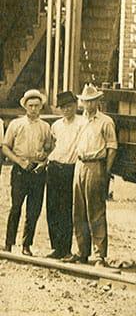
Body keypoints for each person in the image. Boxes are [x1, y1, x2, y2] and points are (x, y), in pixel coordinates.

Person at [63, 85, 117, 267]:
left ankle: (99, 254)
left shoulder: (105, 121)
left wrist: (106, 171)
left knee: (96, 211)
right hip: (80, 164)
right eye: (85, 101)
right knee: (78, 210)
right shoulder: (80, 121)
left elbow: (112, 148)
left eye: (92, 101)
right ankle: (81, 251)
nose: (88, 104)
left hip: (96, 166)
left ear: (97, 101)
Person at [2, 89, 52, 256]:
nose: (33, 109)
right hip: (20, 170)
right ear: (25, 106)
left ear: (40, 106)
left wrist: (43, 160)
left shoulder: (45, 127)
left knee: (33, 210)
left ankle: (26, 245)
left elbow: (49, 149)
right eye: (30, 106)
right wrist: (20, 162)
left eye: (37, 106)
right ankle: (8, 243)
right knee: (16, 207)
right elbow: (5, 147)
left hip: (37, 171)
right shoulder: (16, 124)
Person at [45, 91, 86, 259]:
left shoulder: (82, 123)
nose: (66, 110)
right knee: (52, 208)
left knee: (66, 208)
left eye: (69, 106)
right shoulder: (56, 125)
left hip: (70, 169)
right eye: (63, 107)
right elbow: (52, 144)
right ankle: (57, 247)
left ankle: (66, 248)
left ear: (76, 106)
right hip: (54, 167)